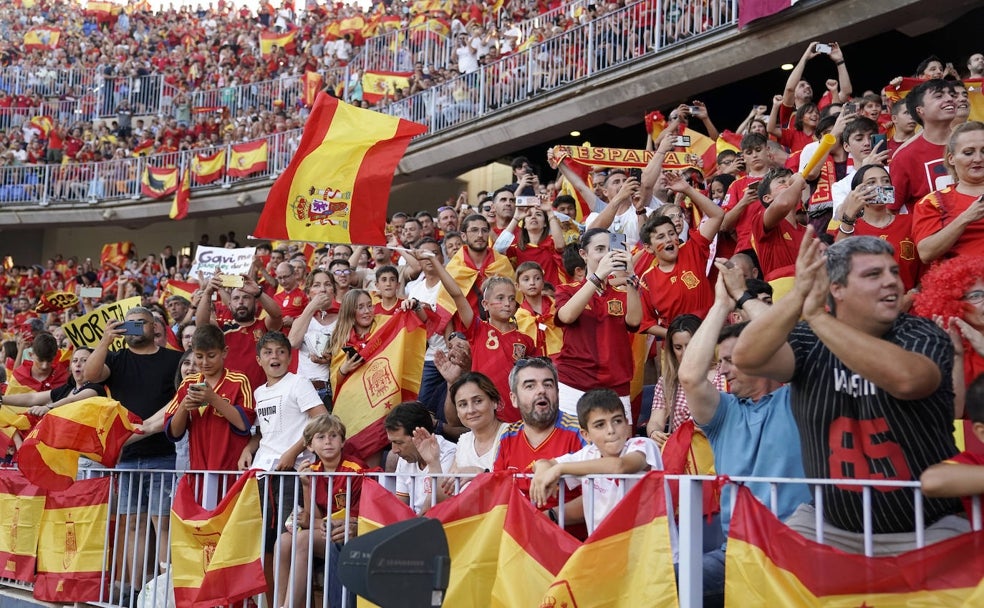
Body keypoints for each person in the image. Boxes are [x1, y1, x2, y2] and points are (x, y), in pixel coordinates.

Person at [732, 232, 966, 554]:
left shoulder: (921, 331)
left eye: (894, 272)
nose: (892, 283)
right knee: (764, 576)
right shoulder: (807, 340)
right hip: (828, 526)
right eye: (873, 274)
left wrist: (818, 318)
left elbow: (909, 381)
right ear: (836, 288)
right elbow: (747, 357)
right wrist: (800, 291)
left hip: (926, 527)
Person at [679, 261, 811, 608]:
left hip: (799, 550)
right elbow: (691, 377)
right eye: (719, 361)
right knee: (661, 578)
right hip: (738, 552)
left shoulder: (800, 398)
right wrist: (721, 304)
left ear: (760, 356)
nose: (721, 370)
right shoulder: (724, 414)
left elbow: (796, 343)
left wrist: (742, 296)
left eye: (730, 360)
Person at [84, 306, 183, 591]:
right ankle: (139, 592)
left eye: (141, 324)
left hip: (163, 453)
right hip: (126, 456)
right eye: (130, 325)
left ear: (154, 328)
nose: (135, 329)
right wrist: (105, 340)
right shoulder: (115, 358)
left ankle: (164, 593)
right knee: (134, 526)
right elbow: (91, 374)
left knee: (162, 525)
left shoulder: (174, 360)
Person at [530, 388, 663, 535]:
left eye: (617, 421)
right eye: (600, 425)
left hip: (649, 551)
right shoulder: (589, 453)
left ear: (626, 425)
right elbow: (543, 463)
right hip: (605, 549)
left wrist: (559, 469)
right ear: (586, 435)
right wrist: (543, 469)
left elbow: (619, 466)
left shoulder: (643, 445)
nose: (611, 430)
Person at [275, 414, 363, 608]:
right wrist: (306, 486)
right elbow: (311, 519)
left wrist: (314, 523)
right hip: (324, 532)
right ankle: (279, 604)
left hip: (348, 535)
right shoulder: (312, 470)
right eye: (320, 437)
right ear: (310, 446)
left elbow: (358, 518)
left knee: (303, 538)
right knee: (283, 541)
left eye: (333, 436)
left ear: (342, 442)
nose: (328, 442)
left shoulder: (355, 470)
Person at [554, 228, 642, 418]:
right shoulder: (567, 290)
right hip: (574, 381)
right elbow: (566, 316)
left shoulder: (622, 292)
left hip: (616, 383)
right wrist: (598, 276)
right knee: (573, 442)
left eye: (611, 249)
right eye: (600, 249)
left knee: (618, 444)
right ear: (583, 254)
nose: (606, 255)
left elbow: (635, 322)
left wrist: (631, 275)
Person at [494, 357, 586, 526]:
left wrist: (547, 517)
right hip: (519, 539)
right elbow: (499, 494)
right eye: (530, 386)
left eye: (548, 384)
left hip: (572, 545)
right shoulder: (507, 435)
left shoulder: (580, 432)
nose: (541, 391)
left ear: (557, 393)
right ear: (514, 399)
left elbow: (599, 495)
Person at [638, 170, 725, 337]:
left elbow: (717, 215)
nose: (670, 240)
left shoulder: (693, 249)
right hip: (675, 349)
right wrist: (676, 335)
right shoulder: (647, 280)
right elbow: (646, 323)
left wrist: (687, 190)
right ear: (649, 248)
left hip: (710, 336)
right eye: (661, 237)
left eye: (671, 234)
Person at [164, 324, 255, 473]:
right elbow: (174, 432)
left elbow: (244, 424)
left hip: (230, 470)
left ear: (224, 352)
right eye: (199, 356)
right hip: (198, 470)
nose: (205, 363)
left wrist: (213, 398)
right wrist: (184, 407)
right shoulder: (188, 382)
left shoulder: (238, 380)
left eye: (211, 356)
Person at [831, 165, 923, 291]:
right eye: (872, 182)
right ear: (857, 192)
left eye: (885, 181)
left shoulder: (911, 221)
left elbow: (929, 268)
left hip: (908, 305)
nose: (881, 185)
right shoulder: (850, 228)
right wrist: (849, 215)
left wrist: (911, 296)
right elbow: (836, 263)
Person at [196, 272, 283, 391]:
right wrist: (208, 292)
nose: (241, 302)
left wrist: (258, 292)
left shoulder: (263, 325)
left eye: (246, 297)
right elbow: (201, 325)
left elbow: (277, 315)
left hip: (261, 395)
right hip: (229, 396)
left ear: (256, 304)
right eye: (236, 298)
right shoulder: (222, 327)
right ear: (230, 305)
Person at [912, 121, 984, 263]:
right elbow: (926, 253)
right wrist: (965, 218)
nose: (978, 159)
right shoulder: (933, 201)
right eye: (968, 153)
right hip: (960, 282)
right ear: (951, 159)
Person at [647, 315, 723, 446]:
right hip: (683, 455)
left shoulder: (724, 375)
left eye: (690, 345)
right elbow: (656, 421)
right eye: (678, 347)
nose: (685, 352)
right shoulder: (667, 381)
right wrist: (654, 432)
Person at [890, 79, 958, 213]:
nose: (950, 99)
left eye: (951, 94)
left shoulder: (974, 142)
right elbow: (890, 209)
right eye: (939, 96)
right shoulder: (902, 157)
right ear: (920, 110)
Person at [385, 401, 456, 515]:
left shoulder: (450, 454)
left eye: (399, 442)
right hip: (417, 524)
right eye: (392, 442)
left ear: (420, 435)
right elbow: (400, 505)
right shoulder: (405, 457)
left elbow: (432, 506)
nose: (394, 450)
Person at [287, 268, 337, 407]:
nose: (323, 289)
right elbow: (293, 342)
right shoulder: (302, 319)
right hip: (306, 389)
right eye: (316, 285)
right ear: (308, 293)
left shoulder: (343, 320)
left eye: (327, 284)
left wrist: (331, 359)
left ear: (333, 290)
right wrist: (312, 307)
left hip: (334, 387)